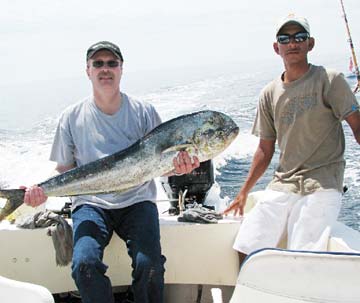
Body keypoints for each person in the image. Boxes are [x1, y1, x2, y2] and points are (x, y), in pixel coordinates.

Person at [23, 41, 200, 303]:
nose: (105, 69)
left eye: (111, 63)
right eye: (98, 64)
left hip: (138, 200)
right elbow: (64, 169)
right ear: (88, 70)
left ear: (121, 68)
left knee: (149, 264)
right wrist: (41, 191)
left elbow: (165, 167)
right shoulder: (71, 116)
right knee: (84, 264)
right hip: (90, 204)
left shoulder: (144, 112)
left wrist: (183, 168)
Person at [224, 15, 360, 266]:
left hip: (323, 183)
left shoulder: (330, 80)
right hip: (283, 184)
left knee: (303, 254)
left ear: (311, 43)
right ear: (277, 48)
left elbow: (358, 128)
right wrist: (243, 192)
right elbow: (265, 150)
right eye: (285, 38)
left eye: (300, 37)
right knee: (246, 244)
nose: (293, 43)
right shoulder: (268, 93)